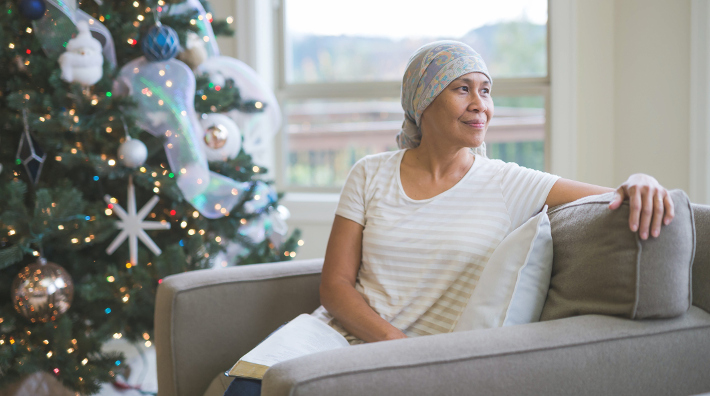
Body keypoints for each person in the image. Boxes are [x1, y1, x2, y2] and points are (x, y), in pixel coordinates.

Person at [223, 40, 675, 396]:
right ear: (423, 100)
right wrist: (394, 344)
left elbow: (611, 199)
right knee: (246, 388)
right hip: (336, 338)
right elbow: (335, 286)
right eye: (463, 88)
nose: (481, 103)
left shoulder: (510, 182)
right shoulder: (370, 172)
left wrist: (641, 178)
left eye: (486, 90)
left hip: (426, 363)